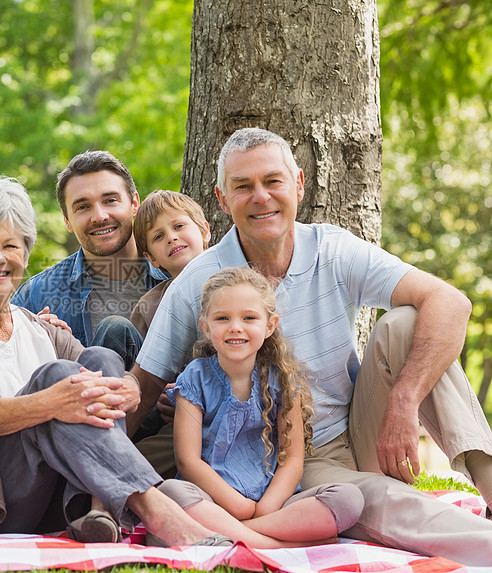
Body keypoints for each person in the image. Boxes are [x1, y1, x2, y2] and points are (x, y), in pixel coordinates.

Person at [129, 127, 492, 565]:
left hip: (358, 427)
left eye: (273, 181)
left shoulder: (333, 249)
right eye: (243, 186)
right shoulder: (197, 281)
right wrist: (102, 471)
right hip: (288, 460)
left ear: (298, 183)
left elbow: (451, 302)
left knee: (414, 322)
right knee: (385, 503)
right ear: (222, 200)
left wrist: (403, 403)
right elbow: (144, 385)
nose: (261, 197)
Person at [0, 174, 310, 549]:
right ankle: (152, 507)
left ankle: (100, 508)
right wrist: (49, 402)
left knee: (101, 358)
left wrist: (149, 393)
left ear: (25, 252)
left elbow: (108, 384)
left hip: (56, 498)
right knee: (58, 376)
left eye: (11, 245)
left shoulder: (39, 327)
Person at [166, 266, 363, 544]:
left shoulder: (282, 379)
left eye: (249, 317)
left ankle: (238, 538)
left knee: (347, 499)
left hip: (272, 504)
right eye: (222, 318)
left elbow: (292, 460)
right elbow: (188, 461)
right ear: (206, 326)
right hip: (213, 500)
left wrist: (264, 508)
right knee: (172, 492)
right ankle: (276, 545)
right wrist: (239, 507)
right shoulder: (195, 378)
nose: (236, 327)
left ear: (270, 325)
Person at [11, 150, 167, 370]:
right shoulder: (37, 295)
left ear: (134, 204)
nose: (100, 216)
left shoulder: (177, 274)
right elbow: (0, 366)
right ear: (67, 221)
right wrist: (33, 345)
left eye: (110, 200)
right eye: (83, 207)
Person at [128, 190, 210, 465]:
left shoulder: (236, 280)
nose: (171, 237)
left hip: (232, 406)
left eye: (178, 226)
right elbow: (145, 372)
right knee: (138, 461)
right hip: (176, 421)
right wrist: (164, 395)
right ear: (152, 259)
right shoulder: (149, 305)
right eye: (158, 236)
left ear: (204, 231)